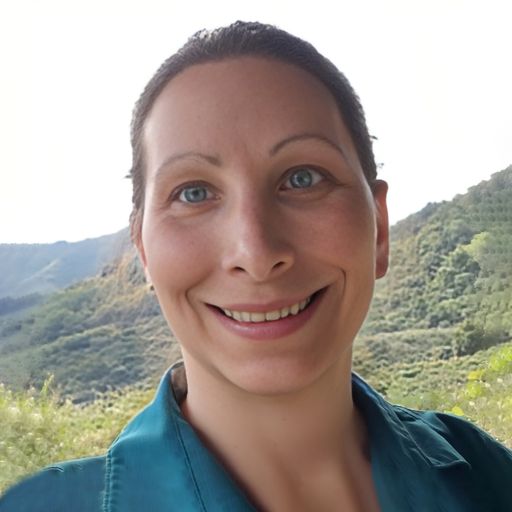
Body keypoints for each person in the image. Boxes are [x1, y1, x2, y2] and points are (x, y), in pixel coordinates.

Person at [1, 20, 511, 512]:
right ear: (144, 251)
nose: (256, 253)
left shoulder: (491, 475)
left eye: (303, 178)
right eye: (193, 192)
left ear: (378, 227)